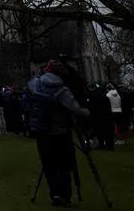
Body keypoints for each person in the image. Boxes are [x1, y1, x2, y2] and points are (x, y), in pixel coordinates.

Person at [27, 61, 91, 208]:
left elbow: (31, 84)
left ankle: (55, 193)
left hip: (41, 130)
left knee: (48, 164)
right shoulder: (61, 90)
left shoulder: (35, 85)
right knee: (63, 165)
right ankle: (64, 195)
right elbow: (77, 110)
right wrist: (88, 112)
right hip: (60, 131)